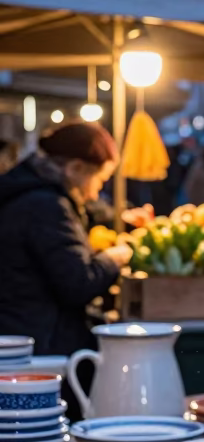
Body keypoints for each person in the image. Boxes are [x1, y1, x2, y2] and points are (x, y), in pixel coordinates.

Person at [0, 120, 131, 357]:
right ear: (75, 169)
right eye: (100, 179)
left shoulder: (33, 195)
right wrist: (114, 258)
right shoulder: (46, 206)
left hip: (23, 335)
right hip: (42, 346)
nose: (96, 192)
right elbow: (78, 282)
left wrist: (124, 217)